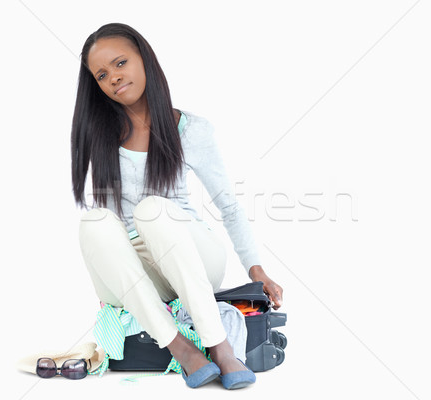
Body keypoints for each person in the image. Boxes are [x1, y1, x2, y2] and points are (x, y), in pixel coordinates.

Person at [71, 23, 283, 389]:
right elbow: (109, 226)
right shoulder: (100, 134)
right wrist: (119, 277)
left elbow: (228, 206)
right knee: (94, 220)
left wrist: (256, 269)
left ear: (145, 59)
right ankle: (180, 346)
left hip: (189, 254)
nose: (113, 79)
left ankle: (220, 347)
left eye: (120, 63)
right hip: (140, 274)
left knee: (151, 210)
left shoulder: (191, 130)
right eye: (102, 75)